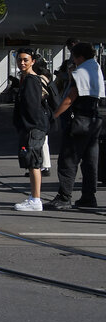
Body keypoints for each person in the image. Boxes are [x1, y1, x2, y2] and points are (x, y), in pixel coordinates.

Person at [49, 42, 104, 210]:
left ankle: (64, 197)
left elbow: (70, 98)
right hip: (94, 119)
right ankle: (89, 196)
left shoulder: (80, 72)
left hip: (79, 120)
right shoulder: (96, 67)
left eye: (73, 56)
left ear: (79, 56)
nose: (72, 60)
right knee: (90, 161)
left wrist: (54, 115)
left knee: (68, 159)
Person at [12, 49, 49, 211]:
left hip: (33, 128)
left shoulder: (31, 80)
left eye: (26, 60)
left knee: (33, 163)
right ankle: (34, 197)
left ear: (33, 61)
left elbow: (32, 106)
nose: (22, 63)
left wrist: (27, 126)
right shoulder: (27, 79)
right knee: (32, 162)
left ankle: (35, 200)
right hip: (33, 127)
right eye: (19, 60)